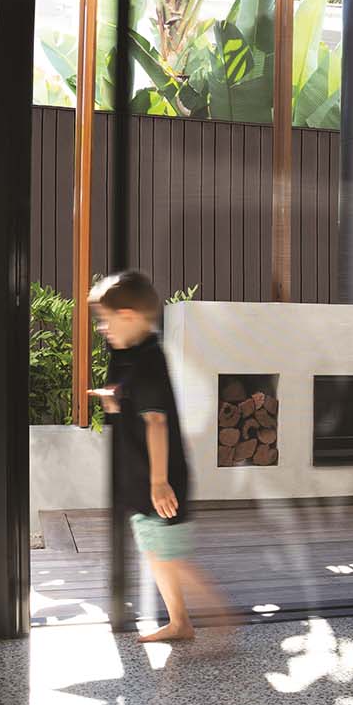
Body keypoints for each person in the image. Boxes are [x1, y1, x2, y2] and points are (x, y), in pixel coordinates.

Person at [87, 270, 223, 643]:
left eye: (105, 320)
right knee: (158, 552)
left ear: (129, 316)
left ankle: (223, 619)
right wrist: (115, 401)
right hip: (144, 479)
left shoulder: (148, 360)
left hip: (158, 480)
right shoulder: (134, 356)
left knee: (171, 556)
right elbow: (140, 408)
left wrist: (159, 483)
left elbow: (157, 423)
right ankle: (180, 622)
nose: (102, 329)